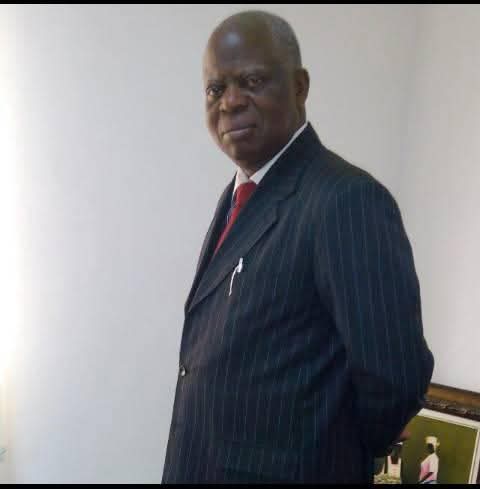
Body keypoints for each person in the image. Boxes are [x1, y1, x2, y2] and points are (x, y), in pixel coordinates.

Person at [161, 10, 434, 484]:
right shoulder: (239, 197)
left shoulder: (345, 200)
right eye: (215, 89)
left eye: (251, 81)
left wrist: (324, 457)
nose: (230, 102)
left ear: (300, 87)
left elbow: (395, 377)